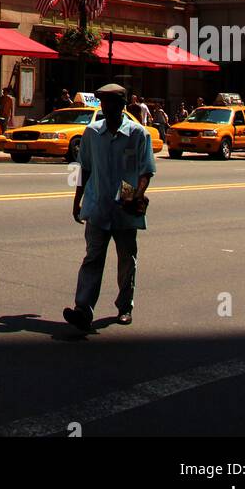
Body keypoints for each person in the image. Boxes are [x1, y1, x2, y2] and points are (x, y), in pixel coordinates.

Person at [65, 82, 156, 331]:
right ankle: (83, 309)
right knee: (92, 258)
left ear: (122, 105)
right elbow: (81, 167)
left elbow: (146, 171)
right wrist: (76, 200)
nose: (105, 107)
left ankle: (124, 307)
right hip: (96, 203)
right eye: (103, 102)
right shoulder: (92, 133)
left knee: (127, 259)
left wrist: (137, 195)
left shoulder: (139, 134)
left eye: (111, 103)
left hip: (124, 203)